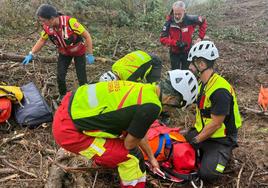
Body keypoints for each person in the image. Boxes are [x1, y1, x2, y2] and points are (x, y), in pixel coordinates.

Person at [53, 69, 198, 188]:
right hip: (69, 132)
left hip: (71, 108)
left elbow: (138, 133)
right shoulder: (152, 107)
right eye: (176, 108)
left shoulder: (147, 89)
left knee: (131, 149)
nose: (172, 112)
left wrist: (152, 157)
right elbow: (130, 143)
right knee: (131, 158)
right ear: (171, 99)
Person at [185, 40, 242, 181]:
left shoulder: (220, 90)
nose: (189, 67)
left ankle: (224, 154)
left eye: (192, 63)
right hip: (204, 132)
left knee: (208, 175)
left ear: (202, 64)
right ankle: (203, 150)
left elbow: (216, 123)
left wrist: (196, 140)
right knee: (178, 144)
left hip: (221, 139)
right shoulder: (202, 83)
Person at [21, 4, 94, 101]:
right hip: (64, 53)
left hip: (78, 52)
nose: (43, 23)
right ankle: (63, 95)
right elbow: (42, 40)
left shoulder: (70, 22)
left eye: (43, 20)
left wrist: (90, 53)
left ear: (51, 18)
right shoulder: (47, 28)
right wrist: (31, 53)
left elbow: (87, 36)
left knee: (82, 76)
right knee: (60, 75)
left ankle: (86, 97)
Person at [160, 1, 207, 70]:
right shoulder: (169, 22)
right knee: (175, 72)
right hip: (174, 52)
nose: (177, 16)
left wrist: (200, 37)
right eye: (175, 14)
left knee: (185, 72)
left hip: (187, 52)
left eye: (179, 14)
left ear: (184, 11)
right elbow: (162, 39)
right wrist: (175, 43)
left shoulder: (191, 19)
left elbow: (203, 21)